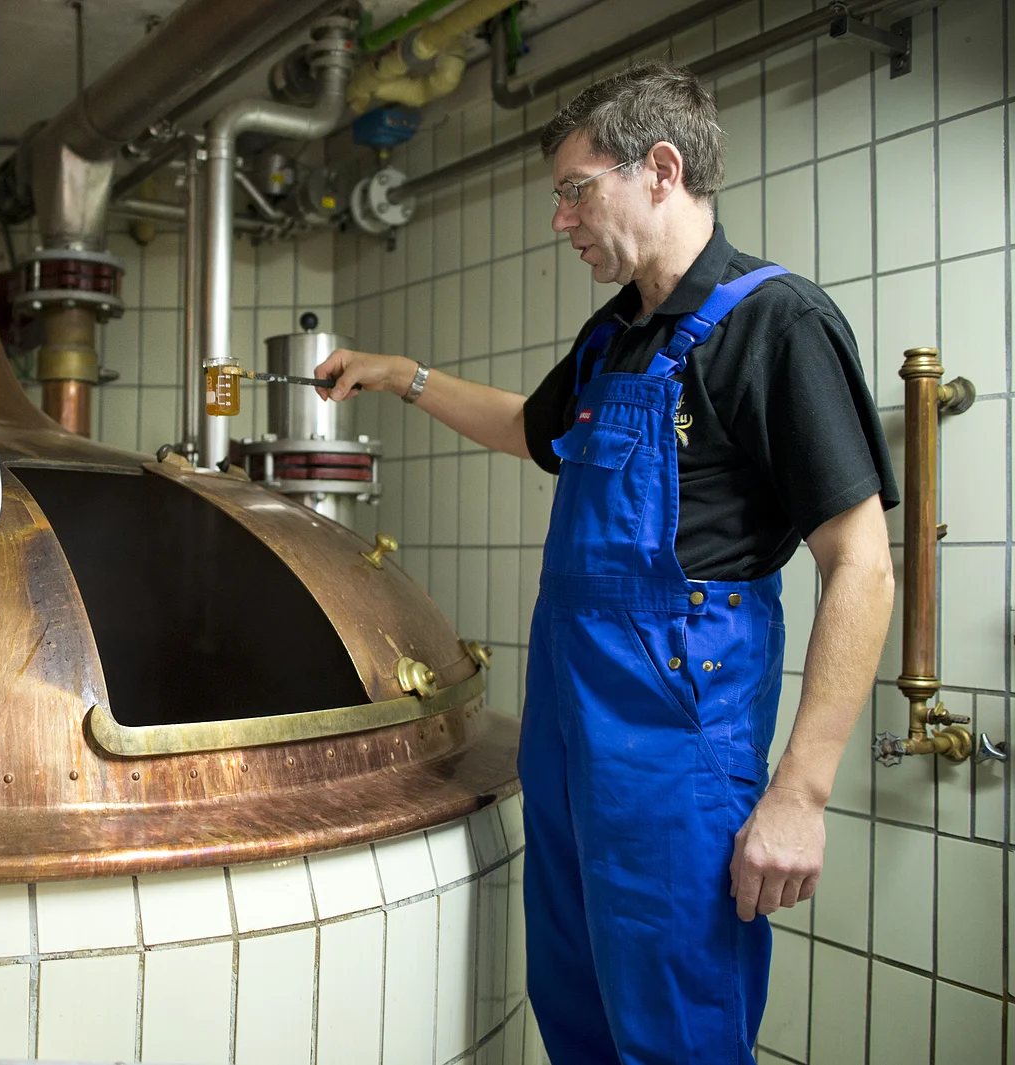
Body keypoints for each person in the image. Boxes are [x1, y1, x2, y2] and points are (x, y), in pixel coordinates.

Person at [315, 61, 896, 1063]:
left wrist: (799, 794)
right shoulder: (614, 337)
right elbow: (528, 429)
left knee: (674, 1028)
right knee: (575, 1006)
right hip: (573, 730)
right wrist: (402, 377)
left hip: (677, 741)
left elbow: (862, 565)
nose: (560, 219)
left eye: (575, 190)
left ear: (659, 169)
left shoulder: (776, 322)